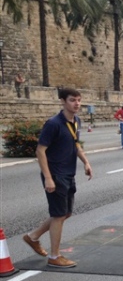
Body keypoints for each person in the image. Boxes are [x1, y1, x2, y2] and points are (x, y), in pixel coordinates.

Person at [22, 88, 93, 268]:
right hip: (55, 174)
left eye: (79, 100)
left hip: (68, 173)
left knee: (65, 213)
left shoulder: (76, 121)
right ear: (62, 101)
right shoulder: (53, 123)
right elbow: (40, 151)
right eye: (72, 100)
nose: (77, 103)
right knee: (59, 215)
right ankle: (54, 256)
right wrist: (48, 178)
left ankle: (33, 237)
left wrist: (86, 162)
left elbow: (76, 144)